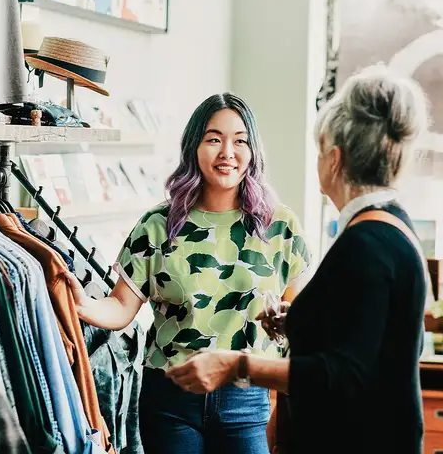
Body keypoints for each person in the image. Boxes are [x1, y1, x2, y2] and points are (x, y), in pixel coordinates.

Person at [167, 65, 430, 454]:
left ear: (335, 159)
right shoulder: (393, 226)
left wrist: (237, 365)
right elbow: (370, 335)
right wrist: (301, 322)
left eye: (320, 151)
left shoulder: (366, 245)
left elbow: (341, 376)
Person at [67, 92, 311, 453]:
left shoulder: (279, 226)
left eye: (239, 141)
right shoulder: (157, 225)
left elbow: (303, 319)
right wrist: (81, 303)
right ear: (194, 147)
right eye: (214, 139)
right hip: (170, 398)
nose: (227, 152)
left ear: (253, 150)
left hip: (246, 398)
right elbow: (120, 306)